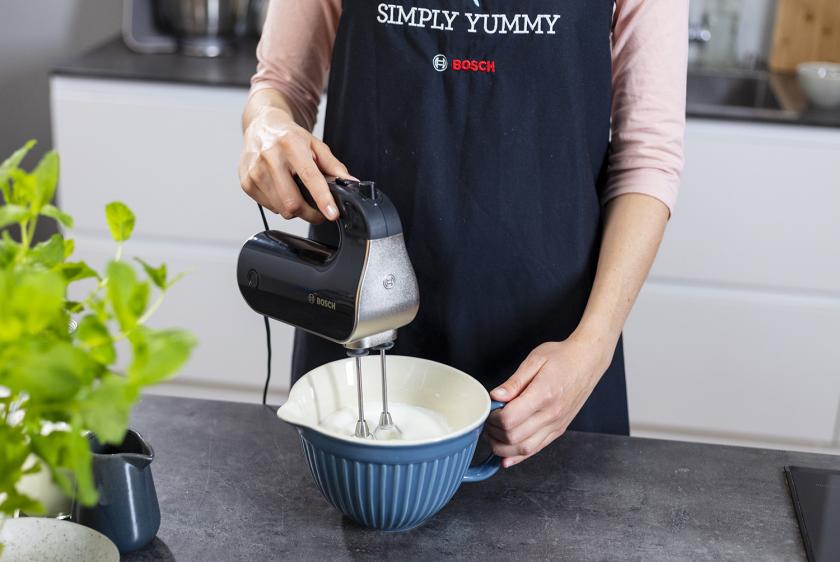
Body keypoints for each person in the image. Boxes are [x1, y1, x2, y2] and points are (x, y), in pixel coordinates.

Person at [239, 1, 688, 468]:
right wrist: (267, 127)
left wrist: (591, 350)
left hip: (553, 364)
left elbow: (647, 159)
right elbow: (282, 87)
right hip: (361, 324)